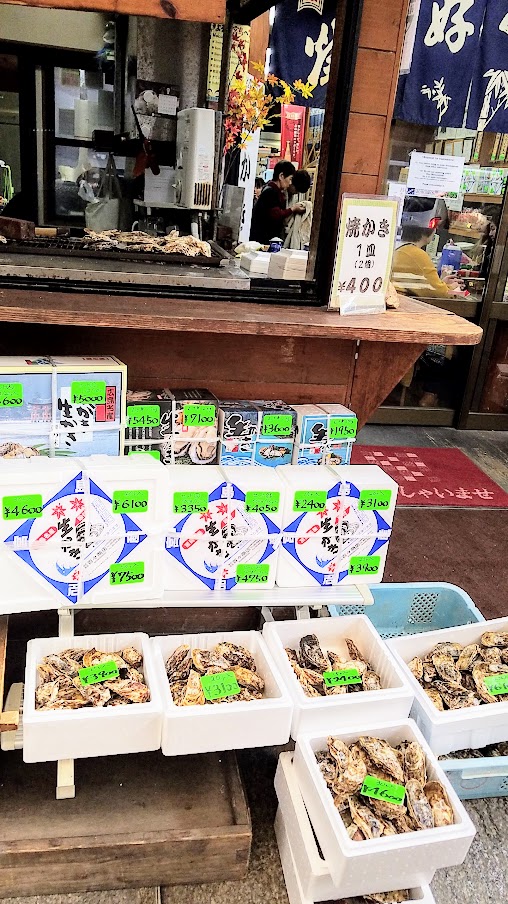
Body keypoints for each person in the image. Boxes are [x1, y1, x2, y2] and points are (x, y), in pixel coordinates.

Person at [392, 225, 462, 298]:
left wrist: (442, 283)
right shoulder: (416, 254)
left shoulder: (399, 247)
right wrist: (455, 288)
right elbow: (442, 294)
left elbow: (428, 287)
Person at [250, 161, 305, 245]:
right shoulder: (271, 192)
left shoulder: (272, 190)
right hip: (262, 240)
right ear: (281, 176)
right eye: (290, 179)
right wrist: (293, 209)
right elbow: (276, 214)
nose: (290, 183)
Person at [284, 169, 312, 249]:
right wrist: (293, 209)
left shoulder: (295, 196)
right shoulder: (281, 192)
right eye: (296, 190)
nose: (296, 193)